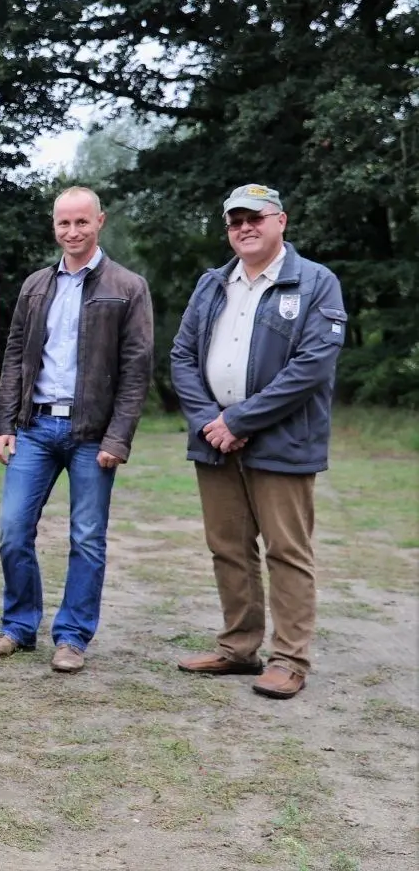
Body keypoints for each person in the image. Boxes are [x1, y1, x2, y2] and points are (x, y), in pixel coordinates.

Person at [170, 184, 346, 700]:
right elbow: (181, 356)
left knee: (287, 552)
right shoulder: (211, 283)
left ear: (281, 222)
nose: (244, 227)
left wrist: (241, 420)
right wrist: (211, 421)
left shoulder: (316, 282)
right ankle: (238, 648)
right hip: (215, 440)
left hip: (282, 439)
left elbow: (311, 366)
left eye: (255, 218)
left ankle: (289, 660)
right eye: (234, 221)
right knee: (227, 547)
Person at [0, 186, 153, 673]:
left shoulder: (128, 286)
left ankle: (72, 637)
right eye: (63, 224)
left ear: (100, 222)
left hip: (92, 434)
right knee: (13, 530)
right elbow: (13, 358)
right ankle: (18, 627)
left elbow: (137, 370)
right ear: (54, 226)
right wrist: (4, 423)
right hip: (34, 427)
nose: (72, 232)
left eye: (81, 222)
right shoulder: (36, 285)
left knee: (87, 538)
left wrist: (118, 438)